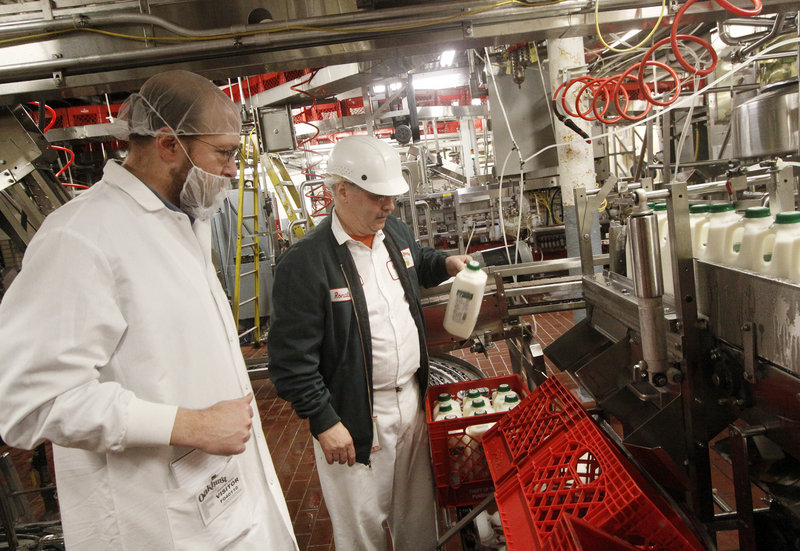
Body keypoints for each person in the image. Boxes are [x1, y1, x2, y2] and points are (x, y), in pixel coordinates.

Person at [0, 71, 298, 550]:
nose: (230, 170)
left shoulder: (183, 222)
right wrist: (189, 425)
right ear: (167, 144)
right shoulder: (79, 237)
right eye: (222, 154)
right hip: (158, 526)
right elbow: (28, 402)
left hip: (222, 503)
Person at [267, 135, 471, 551]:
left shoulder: (392, 231)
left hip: (411, 404)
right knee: (362, 529)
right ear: (342, 191)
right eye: (379, 197)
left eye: (392, 197)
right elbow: (290, 362)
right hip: (356, 416)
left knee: (418, 523)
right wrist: (323, 420)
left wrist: (446, 263)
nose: (390, 206)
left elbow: (417, 261)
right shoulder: (306, 263)